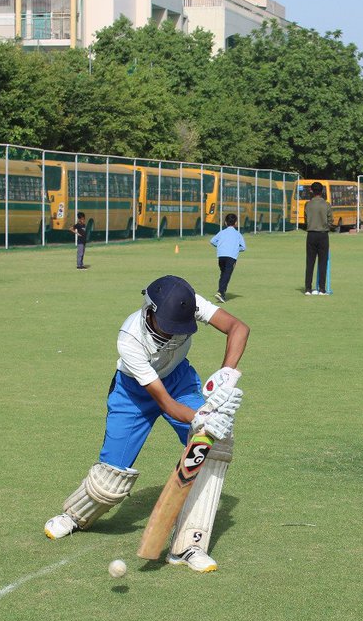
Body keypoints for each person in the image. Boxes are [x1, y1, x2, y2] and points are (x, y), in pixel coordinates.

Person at [43, 275, 249, 573]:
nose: (173, 334)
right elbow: (166, 404)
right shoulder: (130, 338)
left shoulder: (188, 304)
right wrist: (201, 416)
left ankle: (189, 544)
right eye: (168, 328)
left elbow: (238, 328)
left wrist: (227, 377)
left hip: (179, 379)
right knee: (110, 478)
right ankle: (75, 516)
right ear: (149, 310)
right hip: (134, 392)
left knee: (212, 444)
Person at [209, 213, 246, 302]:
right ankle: (220, 292)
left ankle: (222, 293)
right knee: (227, 275)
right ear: (236, 223)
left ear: (225, 222)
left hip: (221, 256)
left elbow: (212, 241)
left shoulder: (222, 232)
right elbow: (243, 247)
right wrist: (236, 248)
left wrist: (220, 246)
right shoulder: (238, 234)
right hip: (231, 257)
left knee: (223, 274)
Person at [303, 182, 331, 295]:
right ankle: (322, 289)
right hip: (323, 234)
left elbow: (305, 219)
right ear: (322, 191)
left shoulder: (307, 205)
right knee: (323, 262)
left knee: (310, 262)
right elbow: (330, 220)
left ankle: (308, 289)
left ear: (312, 191)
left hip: (311, 234)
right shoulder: (326, 204)